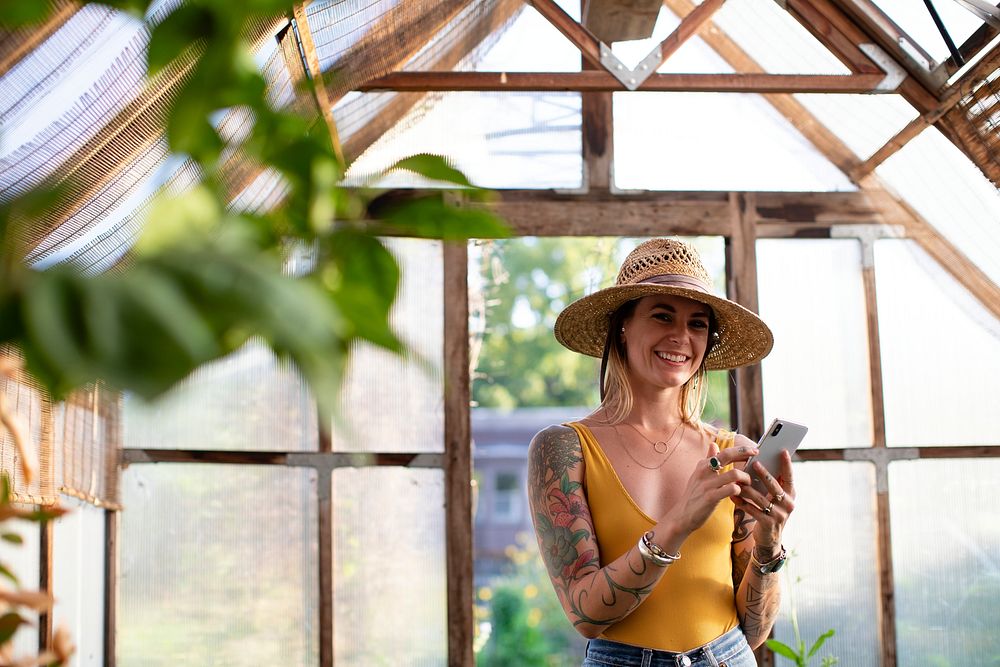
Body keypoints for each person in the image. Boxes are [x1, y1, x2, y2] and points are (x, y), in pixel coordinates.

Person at [527, 238, 795, 666]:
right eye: (662, 315)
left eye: (698, 324)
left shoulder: (733, 454)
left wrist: (769, 544)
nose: (681, 337)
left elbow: (755, 632)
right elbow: (585, 614)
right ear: (623, 326)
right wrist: (679, 521)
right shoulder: (562, 448)